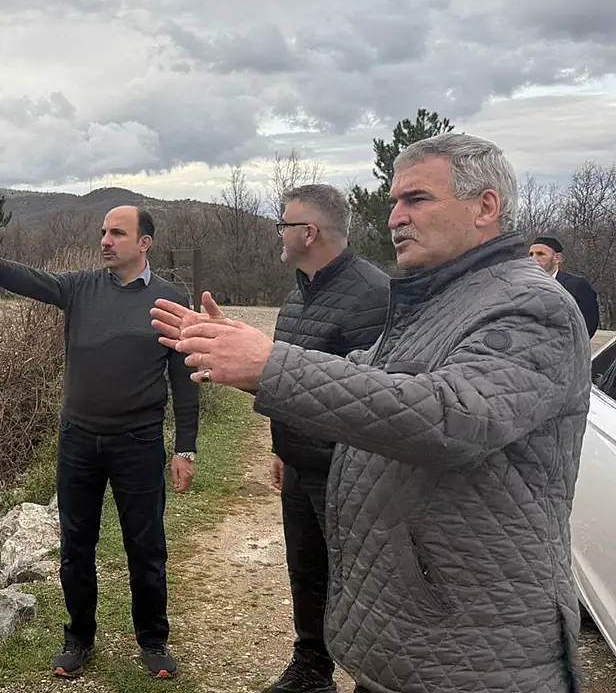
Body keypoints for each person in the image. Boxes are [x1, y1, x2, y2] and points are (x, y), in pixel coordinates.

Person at [151, 133, 591, 692]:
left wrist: (272, 367)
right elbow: (367, 373)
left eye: (416, 199)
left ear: (485, 207)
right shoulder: (438, 301)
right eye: (393, 202)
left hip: (474, 653)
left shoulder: (531, 306)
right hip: (413, 638)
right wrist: (246, 362)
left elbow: (452, 416)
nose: (394, 218)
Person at [0, 205, 199, 680]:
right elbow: (37, 281)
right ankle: (78, 639)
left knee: (146, 547)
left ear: (144, 243)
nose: (106, 240)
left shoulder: (169, 299)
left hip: (138, 443)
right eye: (103, 232)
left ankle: (153, 641)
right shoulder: (82, 288)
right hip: (79, 440)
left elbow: (184, 378)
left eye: (117, 233)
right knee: (76, 546)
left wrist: (185, 448)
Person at [263, 184, 390, 693]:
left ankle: (371, 677)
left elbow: (377, 397)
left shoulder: (374, 295)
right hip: (301, 465)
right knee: (308, 572)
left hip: (347, 472)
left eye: (284, 224)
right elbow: (285, 377)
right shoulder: (298, 294)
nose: (279, 233)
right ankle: (312, 667)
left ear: (309, 232)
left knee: (359, 580)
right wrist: (281, 448)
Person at [528, 235, 601, 338]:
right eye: (531, 254)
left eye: (540, 254)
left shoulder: (576, 285)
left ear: (557, 258)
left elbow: (589, 323)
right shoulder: (524, 285)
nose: (534, 259)